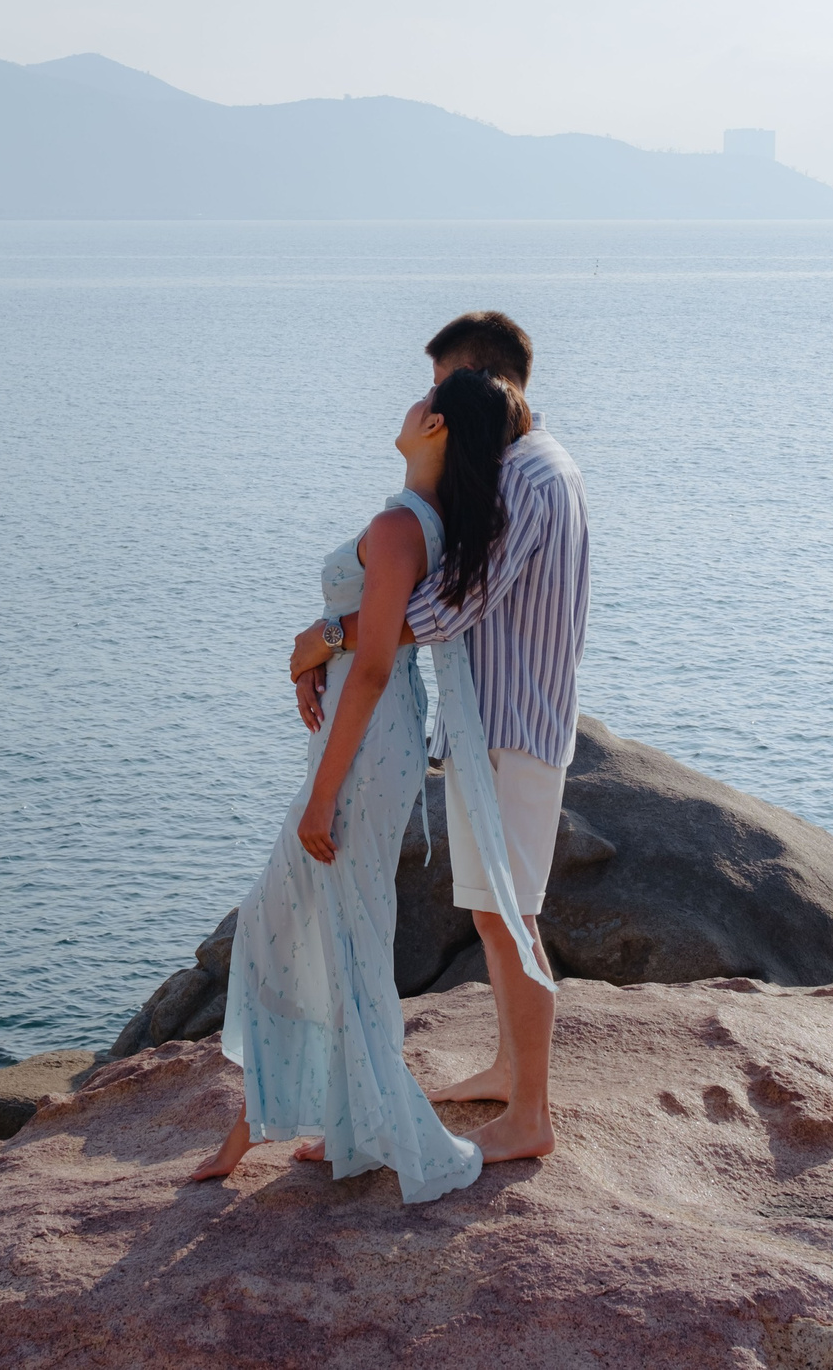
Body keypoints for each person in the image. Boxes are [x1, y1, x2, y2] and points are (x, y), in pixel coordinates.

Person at [189, 367, 549, 1203]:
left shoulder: (398, 526)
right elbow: (365, 646)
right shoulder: (423, 523)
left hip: (364, 747)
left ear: (439, 431)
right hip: (371, 740)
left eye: (427, 400)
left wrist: (321, 790)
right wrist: (316, 653)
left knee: (295, 921)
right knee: (334, 927)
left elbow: (379, 660)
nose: (410, 401)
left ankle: (279, 1123)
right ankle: (332, 1122)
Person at [290, 311, 590, 1165]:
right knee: (496, 912)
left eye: (440, 386)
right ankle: (508, 1067)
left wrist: (337, 635)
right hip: (496, 724)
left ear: (479, 385)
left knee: (508, 916)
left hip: (510, 727)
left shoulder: (527, 478)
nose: (429, 403)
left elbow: (459, 602)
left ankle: (529, 1114)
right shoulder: (525, 470)